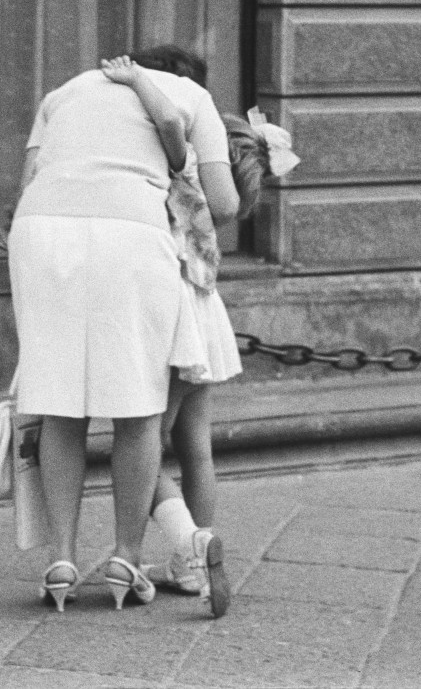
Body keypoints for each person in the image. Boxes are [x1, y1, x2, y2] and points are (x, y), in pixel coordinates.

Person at [11, 45, 238, 612]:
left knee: (59, 403)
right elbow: (225, 203)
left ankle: (61, 558)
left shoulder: (64, 91)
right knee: (138, 409)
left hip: (39, 230)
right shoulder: (193, 95)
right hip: (131, 231)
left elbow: (29, 181)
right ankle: (126, 556)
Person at [141, 105, 299, 620]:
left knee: (139, 446)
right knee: (196, 447)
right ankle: (190, 566)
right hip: (207, 314)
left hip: (176, 317)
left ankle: (190, 544)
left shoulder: (184, 178)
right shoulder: (218, 199)